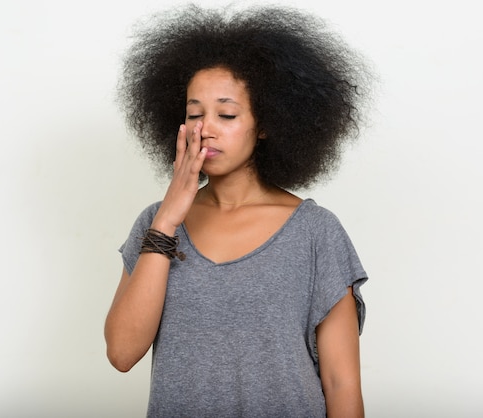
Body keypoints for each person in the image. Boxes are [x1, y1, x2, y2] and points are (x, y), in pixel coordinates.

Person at [105, 3, 373, 417]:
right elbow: (122, 353)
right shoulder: (156, 224)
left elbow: (342, 383)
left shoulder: (316, 232)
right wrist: (167, 219)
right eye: (195, 114)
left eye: (226, 114)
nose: (205, 128)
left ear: (266, 123)